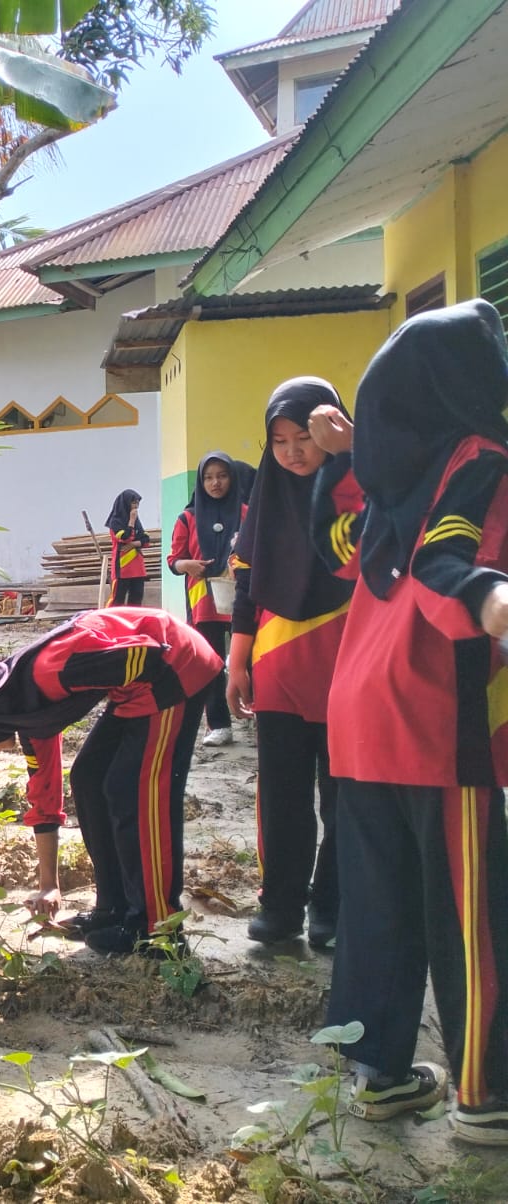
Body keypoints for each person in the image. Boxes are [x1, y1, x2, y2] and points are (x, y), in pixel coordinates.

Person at [310, 300, 508, 1140]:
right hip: (432, 716)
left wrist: (340, 454)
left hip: (357, 715)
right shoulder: (478, 454)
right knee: (470, 917)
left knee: (379, 909)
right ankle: (485, 1094)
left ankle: (380, 1071)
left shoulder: (393, 475)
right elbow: (445, 559)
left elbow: (341, 546)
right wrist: (490, 598)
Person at [0, 607, 221, 955]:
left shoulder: (52, 672)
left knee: (133, 793)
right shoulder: (28, 706)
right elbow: (44, 794)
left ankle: (156, 929)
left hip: (174, 669)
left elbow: (144, 654)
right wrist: (48, 886)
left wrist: (111, 668)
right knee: (89, 778)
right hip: (136, 688)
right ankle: (113, 909)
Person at [228, 379, 362, 950]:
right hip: (278, 666)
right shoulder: (264, 502)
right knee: (281, 795)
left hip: (348, 665)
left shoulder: (361, 490)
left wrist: (354, 457)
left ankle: (330, 906)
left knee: (344, 797)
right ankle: (280, 904)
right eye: (279, 440)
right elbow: (246, 585)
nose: (292, 451)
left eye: (304, 435)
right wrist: (236, 662)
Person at [168, 451, 250, 747]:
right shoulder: (187, 518)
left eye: (222, 476)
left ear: (233, 478)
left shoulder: (246, 513)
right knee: (211, 662)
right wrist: (186, 565)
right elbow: (174, 560)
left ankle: (255, 712)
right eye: (208, 477)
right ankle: (219, 724)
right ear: (201, 482)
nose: (215, 483)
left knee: (250, 657)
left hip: (242, 597)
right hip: (203, 601)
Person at [105, 489, 151, 606]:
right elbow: (124, 538)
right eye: (133, 503)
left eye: (137, 504)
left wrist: (134, 544)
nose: (136, 507)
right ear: (125, 503)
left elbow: (146, 540)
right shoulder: (115, 522)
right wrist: (131, 521)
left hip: (138, 567)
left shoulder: (137, 521)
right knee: (117, 600)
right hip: (122, 567)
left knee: (136, 599)